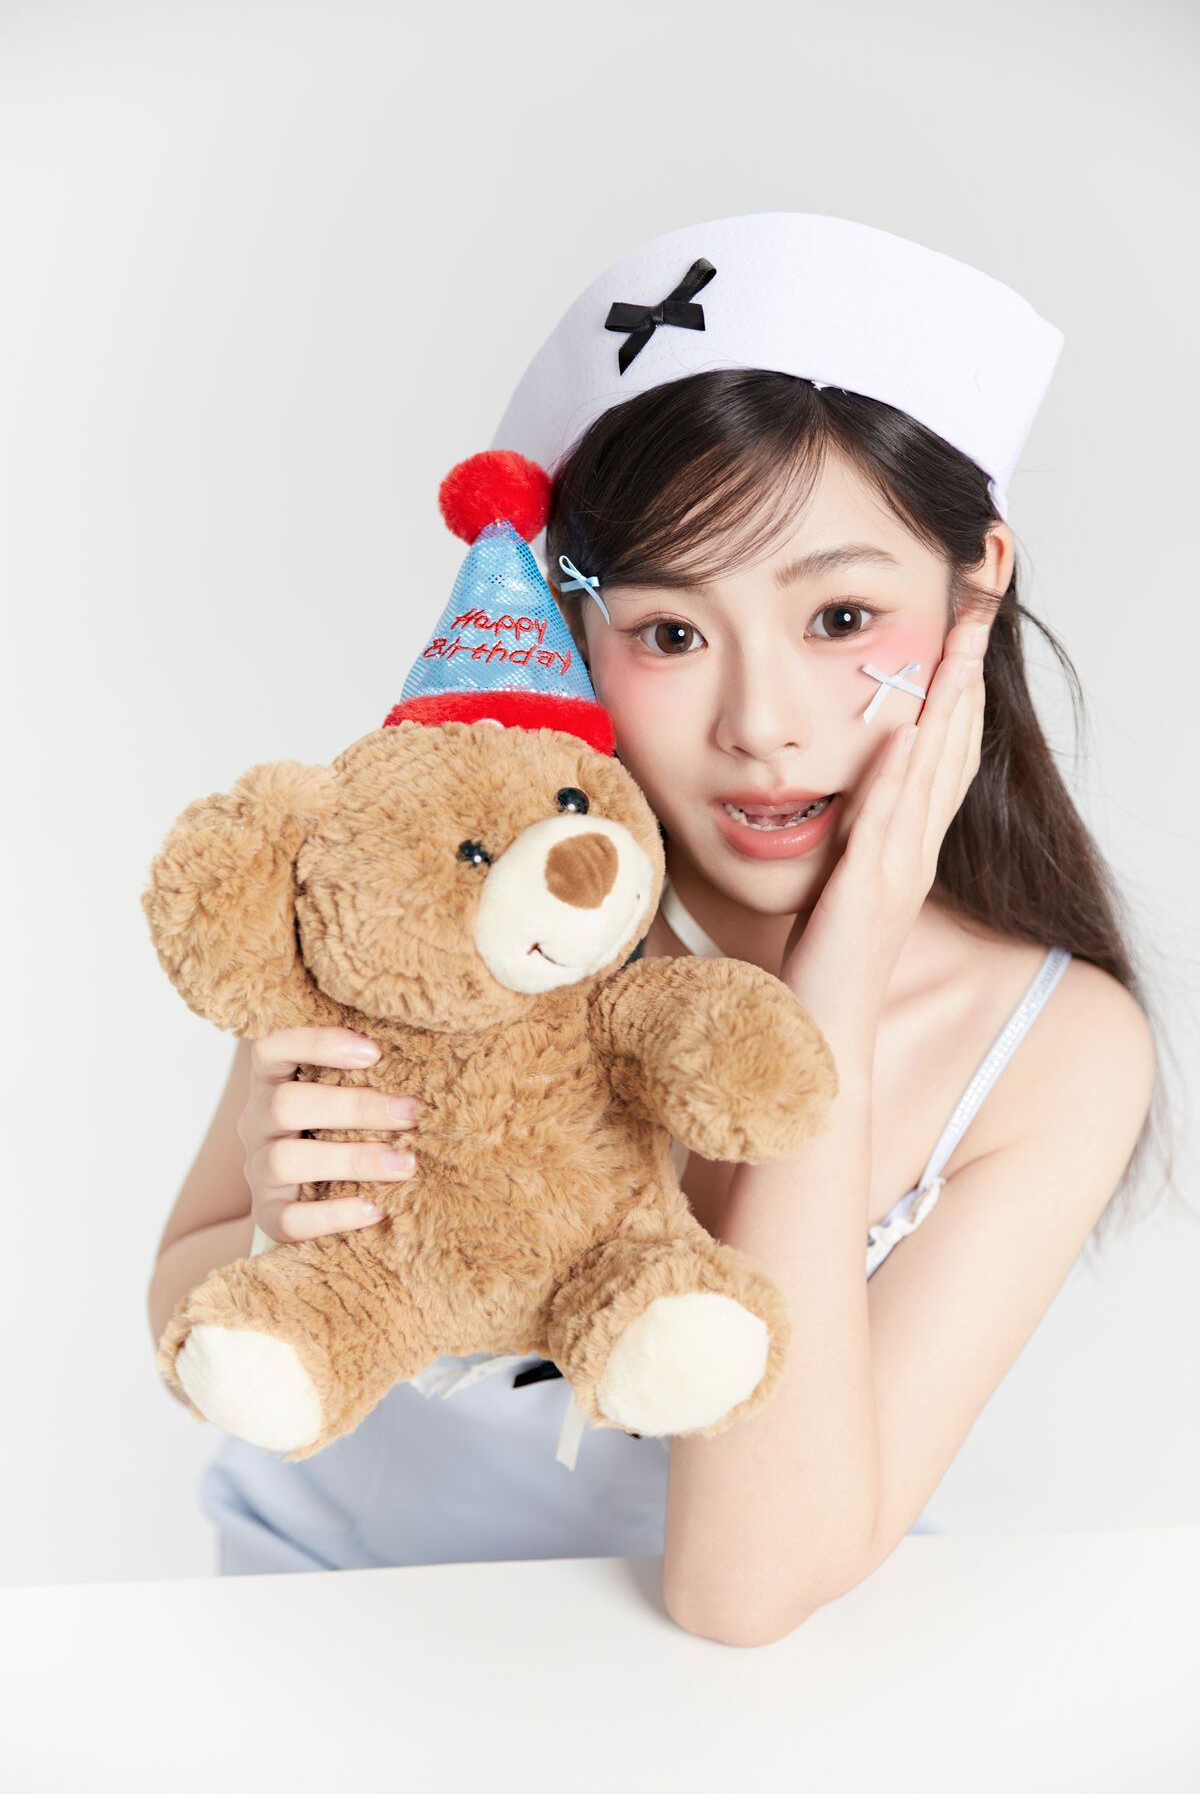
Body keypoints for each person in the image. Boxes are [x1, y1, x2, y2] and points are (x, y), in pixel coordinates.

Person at [147, 213, 1165, 1646]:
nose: (761, 725)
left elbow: (745, 1593)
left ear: (974, 587)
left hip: (732, 1711)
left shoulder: (1053, 1050)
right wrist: (277, 1214)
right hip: (328, 1639)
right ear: (578, 629)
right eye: (672, 633)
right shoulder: (440, 901)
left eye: (841, 617)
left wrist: (837, 984)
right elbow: (183, 1294)